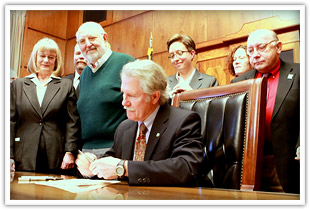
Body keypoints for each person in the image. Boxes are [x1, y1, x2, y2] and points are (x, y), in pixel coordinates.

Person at [76, 59, 204, 186]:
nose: (124, 102)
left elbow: (186, 169)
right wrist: (92, 167)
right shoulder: (124, 127)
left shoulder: (184, 121)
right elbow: (111, 164)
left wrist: (125, 168)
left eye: (131, 95)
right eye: (123, 94)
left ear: (154, 96)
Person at [231, 29, 300, 194]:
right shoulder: (239, 81)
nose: (255, 54)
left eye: (261, 48)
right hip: (249, 167)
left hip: (288, 162)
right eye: (250, 50)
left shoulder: (300, 73)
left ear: (278, 47)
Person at [10, 38, 81, 174]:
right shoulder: (18, 85)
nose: (46, 60)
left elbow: (72, 122)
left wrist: (69, 151)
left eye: (51, 57)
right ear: (35, 58)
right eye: (42, 56)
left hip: (56, 155)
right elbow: (10, 122)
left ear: (56, 61)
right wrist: (8, 155)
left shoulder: (65, 85)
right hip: (23, 154)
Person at [75, 21, 135, 156]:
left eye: (92, 38)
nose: (88, 44)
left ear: (105, 38)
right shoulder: (84, 74)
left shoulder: (126, 63)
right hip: (87, 152)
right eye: (82, 41)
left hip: (116, 149)